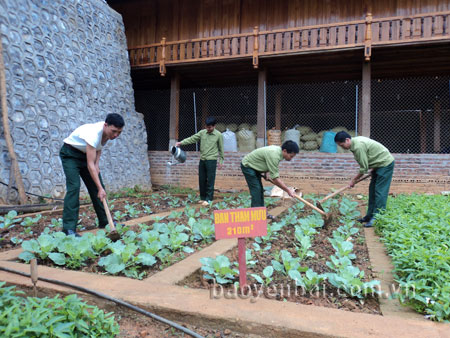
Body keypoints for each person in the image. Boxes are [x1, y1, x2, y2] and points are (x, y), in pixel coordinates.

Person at [59, 113, 125, 236]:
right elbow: (90, 165)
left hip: (86, 155)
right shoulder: (93, 134)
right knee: (74, 188)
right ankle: (68, 229)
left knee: (98, 188)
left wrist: (97, 165)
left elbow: (98, 148)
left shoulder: (107, 134)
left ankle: (105, 222)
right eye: (114, 131)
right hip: (70, 155)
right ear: (106, 125)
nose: (116, 135)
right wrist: (99, 187)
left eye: (119, 132)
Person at [334, 131, 395, 228]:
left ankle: (377, 218)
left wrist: (354, 180)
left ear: (347, 140)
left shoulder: (358, 147)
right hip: (378, 165)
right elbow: (370, 155)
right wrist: (374, 167)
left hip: (385, 164)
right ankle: (369, 216)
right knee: (372, 190)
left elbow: (363, 169)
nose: (342, 147)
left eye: (342, 145)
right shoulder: (355, 143)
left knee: (380, 192)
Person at [175, 116, 224, 206]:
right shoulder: (202, 133)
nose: (208, 129)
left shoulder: (218, 135)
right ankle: (203, 198)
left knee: (210, 180)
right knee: (201, 179)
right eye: (206, 127)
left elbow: (221, 149)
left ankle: (209, 199)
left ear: (214, 126)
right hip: (202, 159)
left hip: (211, 160)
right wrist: (181, 142)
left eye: (210, 127)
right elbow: (192, 139)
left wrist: (221, 161)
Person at [241, 140, 299, 211]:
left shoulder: (278, 153)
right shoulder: (274, 155)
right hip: (248, 166)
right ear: (285, 151)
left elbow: (265, 161)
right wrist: (288, 190)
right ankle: (256, 214)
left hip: (255, 167)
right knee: (256, 190)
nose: (291, 158)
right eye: (291, 156)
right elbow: (275, 179)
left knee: (260, 190)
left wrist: (266, 172)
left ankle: (261, 212)